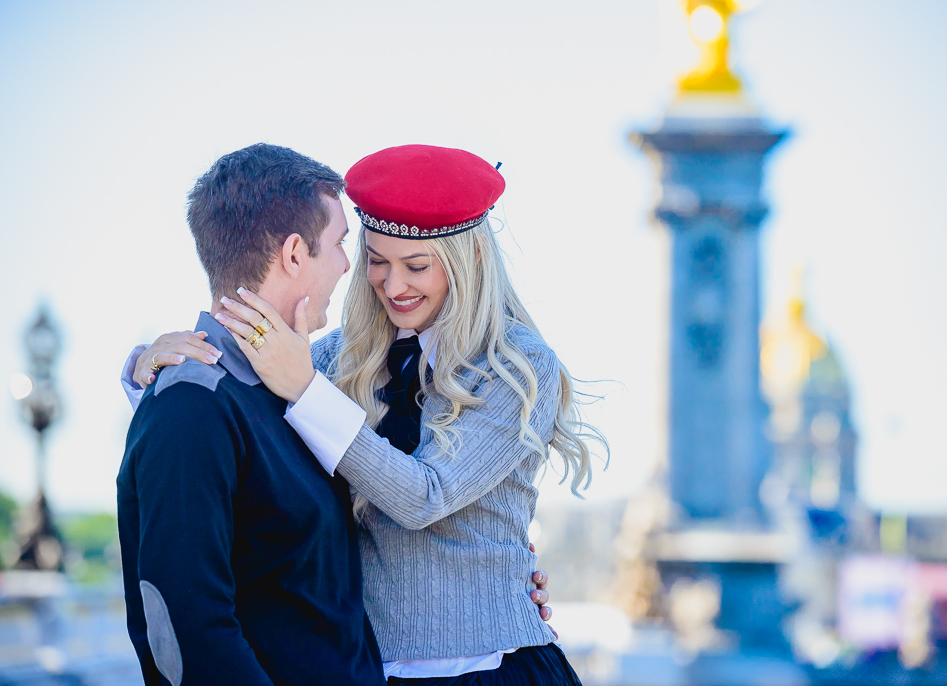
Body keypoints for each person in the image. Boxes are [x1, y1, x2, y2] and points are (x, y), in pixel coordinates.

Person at [128, 144, 599, 684]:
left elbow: (427, 497)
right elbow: (239, 443)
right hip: (367, 672)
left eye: (416, 266)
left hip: (493, 669)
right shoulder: (332, 360)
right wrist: (155, 373)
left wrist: (307, 390)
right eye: (376, 260)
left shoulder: (516, 367)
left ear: (468, 258)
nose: (393, 286)